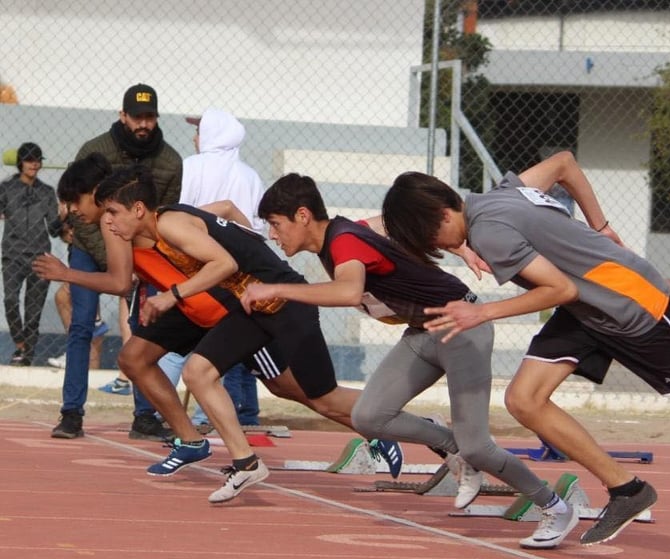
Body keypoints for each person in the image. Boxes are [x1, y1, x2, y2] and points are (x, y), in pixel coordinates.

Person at [381, 152, 670, 559]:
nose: (436, 250)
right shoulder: (499, 194)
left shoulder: (490, 233)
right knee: (525, 399)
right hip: (588, 309)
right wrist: (602, 227)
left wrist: (481, 312)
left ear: (440, 217)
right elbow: (563, 164)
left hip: (631, 303)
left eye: (428, 241)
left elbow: (558, 290)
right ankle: (627, 489)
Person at [240, 173, 579, 548]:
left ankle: (554, 506)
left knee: (479, 447)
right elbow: (395, 223)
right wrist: (460, 249)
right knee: (368, 415)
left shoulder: (345, 241)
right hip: (423, 332)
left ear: (302, 215)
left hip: (461, 327)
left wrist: (276, 288)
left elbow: (349, 291)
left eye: (275, 224)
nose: (273, 235)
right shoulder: (347, 232)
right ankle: (451, 445)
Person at [38, 162, 405, 500]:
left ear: (124, 205)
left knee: (303, 391)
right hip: (201, 304)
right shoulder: (141, 220)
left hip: (245, 301)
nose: (75, 212)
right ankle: (211, 449)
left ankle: (392, 428)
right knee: (139, 359)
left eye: (75, 202)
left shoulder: (152, 221)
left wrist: (175, 290)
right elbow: (224, 211)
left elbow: (136, 277)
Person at [50, 83, 183, 440]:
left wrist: (134, 260)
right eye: (137, 117)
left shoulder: (170, 161)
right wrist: (112, 256)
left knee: (144, 329)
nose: (144, 124)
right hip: (91, 246)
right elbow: (79, 212)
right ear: (122, 116)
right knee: (81, 326)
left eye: (150, 117)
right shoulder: (94, 150)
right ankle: (71, 413)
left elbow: (159, 217)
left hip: (142, 253)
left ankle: (144, 415)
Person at [179, 108, 266, 427]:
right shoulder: (250, 175)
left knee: (203, 341)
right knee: (239, 339)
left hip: (199, 266)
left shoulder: (189, 168)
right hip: (242, 268)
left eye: (199, 131)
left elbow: (177, 215)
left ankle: (206, 414)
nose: (194, 137)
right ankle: (246, 412)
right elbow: (257, 227)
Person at [0, 142, 60, 365]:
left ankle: (27, 355)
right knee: (10, 300)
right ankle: (20, 345)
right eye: (29, 159)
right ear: (20, 163)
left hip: (39, 255)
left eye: (38, 159)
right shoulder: (6, 188)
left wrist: (63, 216)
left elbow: (54, 229)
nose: (34, 163)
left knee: (34, 311)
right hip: (12, 255)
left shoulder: (46, 192)